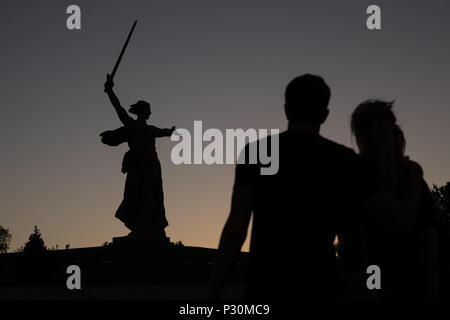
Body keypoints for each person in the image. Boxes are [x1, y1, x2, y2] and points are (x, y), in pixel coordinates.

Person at [208, 74, 376, 300]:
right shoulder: (345, 159)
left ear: (286, 110)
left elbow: (236, 228)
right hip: (323, 288)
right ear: (325, 115)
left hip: (265, 287)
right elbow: (354, 236)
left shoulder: (257, 153)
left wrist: (212, 293)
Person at [351, 100, 439, 299]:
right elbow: (429, 249)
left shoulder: (357, 177)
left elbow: (402, 222)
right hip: (412, 291)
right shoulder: (414, 179)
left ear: (359, 135)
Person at [100, 74, 175, 240]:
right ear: (143, 112)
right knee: (134, 195)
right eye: (147, 110)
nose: (149, 113)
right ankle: (139, 228)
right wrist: (110, 91)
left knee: (151, 195)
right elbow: (118, 108)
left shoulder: (151, 129)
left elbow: (162, 132)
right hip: (137, 165)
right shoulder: (132, 125)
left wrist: (169, 132)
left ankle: (151, 228)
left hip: (151, 166)